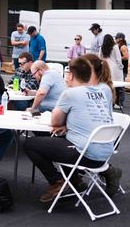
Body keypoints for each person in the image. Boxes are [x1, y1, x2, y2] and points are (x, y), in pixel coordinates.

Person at [23, 57, 117, 202]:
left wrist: (67, 88)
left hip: (86, 155)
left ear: (71, 76)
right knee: (59, 139)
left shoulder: (71, 93)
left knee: (29, 144)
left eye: (67, 73)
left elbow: (54, 121)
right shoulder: (100, 92)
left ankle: (57, 182)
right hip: (104, 155)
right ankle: (74, 181)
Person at [81, 53, 122, 197]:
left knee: (66, 145)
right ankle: (73, 180)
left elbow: (91, 113)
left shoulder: (101, 89)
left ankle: (108, 171)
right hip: (98, 132)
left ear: (91, 68)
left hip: (100, 135)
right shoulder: (99, 87)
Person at [99, 34, 124, 106]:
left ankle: (106, 101)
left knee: (106, 85)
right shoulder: (115, 47)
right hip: (115, 68)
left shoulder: (102, 48)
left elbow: (99, 58)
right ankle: (116, 103)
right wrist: (121, 67)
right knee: (116, 86)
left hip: (105, 67)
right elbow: (118, 59)